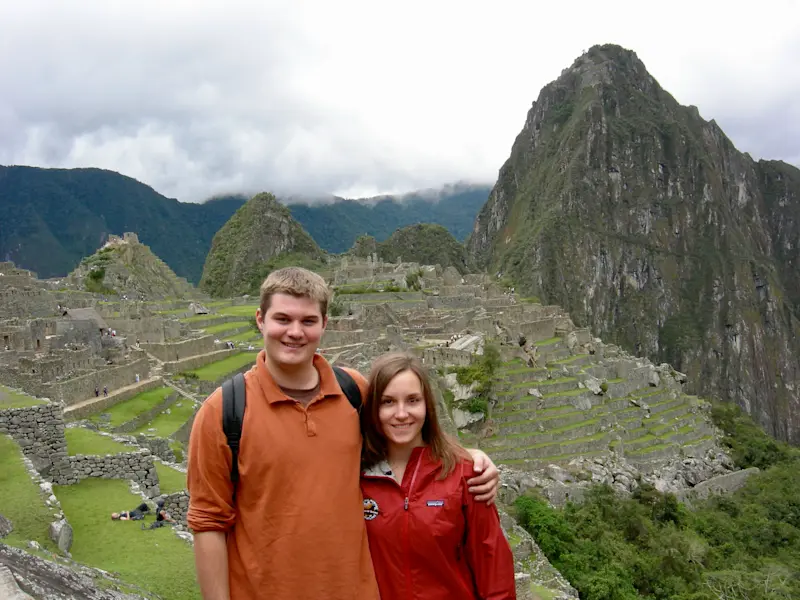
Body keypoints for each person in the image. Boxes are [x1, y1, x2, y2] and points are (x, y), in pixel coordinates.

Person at [187, 267, 500, 600]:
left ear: (325, 324)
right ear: (260, 320)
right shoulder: (224, 411)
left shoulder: (354, 392)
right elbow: (208, 522)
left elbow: (406, 429)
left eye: (308, 321)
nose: (295, 332)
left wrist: (471, 459)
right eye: (282, 319)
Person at [360, 352, 516, 600]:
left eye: (412, 400)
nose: (401, 413)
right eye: (388, 402)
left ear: (427, 406)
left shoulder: (466, 475)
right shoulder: (357, 478)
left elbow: (493, 568)